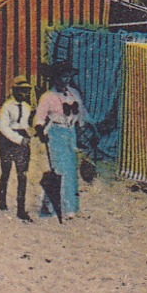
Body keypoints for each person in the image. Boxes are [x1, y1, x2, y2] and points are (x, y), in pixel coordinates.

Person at [34, 63, 85, 219]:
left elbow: (81, 115)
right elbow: (39, 117)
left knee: (70, 171)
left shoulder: (73, 94)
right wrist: (40, 131)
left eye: (68, 76)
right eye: (63, 76)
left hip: (70, 134)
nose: (66, 80)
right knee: (59, 170)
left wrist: (82, 128)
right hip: (55, 133)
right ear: (55, 78)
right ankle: (50, 206)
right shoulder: (48, 97)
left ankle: (68, 207)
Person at [0, 76, 35, 221]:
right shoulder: (7, 107)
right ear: (14, 90)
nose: (23, 94)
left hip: (22, 139)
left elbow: (25, 125)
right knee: (6, 171)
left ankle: (21, 208)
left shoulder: (26, 107)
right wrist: (19, 140)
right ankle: (2, 199)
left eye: (26, 91)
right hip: (7, 140)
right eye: (20, 91)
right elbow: (4, 127)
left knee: (22, 174)